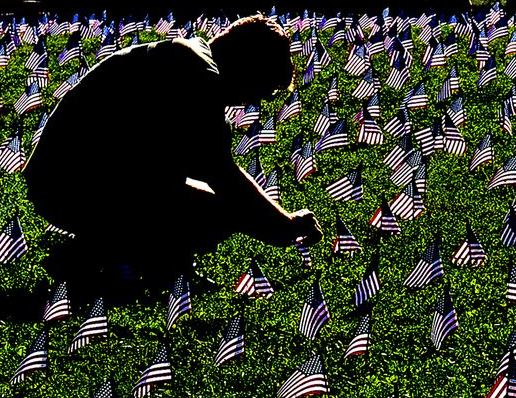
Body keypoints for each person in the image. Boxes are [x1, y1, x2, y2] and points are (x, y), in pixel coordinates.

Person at [25, 16, 317, 302]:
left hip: (72, 178)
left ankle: (141, 260)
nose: (253, 100)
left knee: (207, 204)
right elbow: (223, 176)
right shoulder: (197, 74)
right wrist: (283, 225)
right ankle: (95, 257)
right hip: (71, 184)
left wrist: (273, 223)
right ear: (246, 64)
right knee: (220, 213)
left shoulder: (192, 60)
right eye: (260, 86)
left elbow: (193, 168)